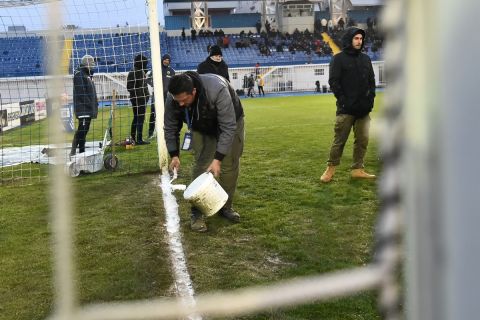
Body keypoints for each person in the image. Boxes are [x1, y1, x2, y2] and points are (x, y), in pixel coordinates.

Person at [164, 72, 245, 232]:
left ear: (193, 91)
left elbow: (228, 127)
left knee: (229, 167)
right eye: (177, 101)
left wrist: (218, 159)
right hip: (200, 124)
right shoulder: (173, 97)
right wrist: (174, 155)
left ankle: (226, 207)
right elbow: (170, 126)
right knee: (202, 165)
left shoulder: (217, 89)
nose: (180, 104)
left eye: (184, 100)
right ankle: (197, 212)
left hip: (230, 121)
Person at [320, 27, 376, 183]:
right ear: (349, 39)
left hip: (364, 110)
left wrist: (370, 100)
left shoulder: (366, 59)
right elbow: (334, 82)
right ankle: (330, 170)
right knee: (339, 141)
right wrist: (344, 100)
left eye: (361, 38)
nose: (359, 41)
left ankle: (358, 169)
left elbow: (371, 81)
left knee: (362, 140)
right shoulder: (338, 59)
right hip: (346, 109)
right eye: (356, 38)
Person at [70, 55, 98, 156]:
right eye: (91, 65)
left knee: (84, 131)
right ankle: (73, 152)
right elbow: (81, 93)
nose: (92, 67)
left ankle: (82, 151)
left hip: (87, 108)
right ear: (86, 64)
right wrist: (91, 104)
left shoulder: (87, 75)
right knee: (81, 131)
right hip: (83, 109)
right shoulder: (79, 74)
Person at [126, 54, 150, 145]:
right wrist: (141, 94)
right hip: (138, 99)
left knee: (138, 118)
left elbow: (143, 86)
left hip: (142, 99)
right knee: (138, 118)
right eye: (145, 62)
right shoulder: (134, 72)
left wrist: (146, 95)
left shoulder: (140, 71)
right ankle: (138, 139)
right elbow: (129, 87)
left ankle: (135, 138)